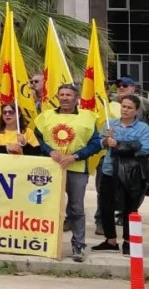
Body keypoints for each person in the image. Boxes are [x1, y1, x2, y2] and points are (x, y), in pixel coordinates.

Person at [35, 84, 103, 262]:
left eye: (68, 95)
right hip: (51, 168)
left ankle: (78, 244)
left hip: (77, 168)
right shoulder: (46, 116)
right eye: (62, 94)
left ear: (76, 97)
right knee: (48, 206)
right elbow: (36, 138)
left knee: (76, 208)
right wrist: (49, 151)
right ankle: (46, 242)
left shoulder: (88, 118)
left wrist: (77, 156)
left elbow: (96, 144)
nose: (64, 98)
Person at [94, 95, 149, 254]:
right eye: (123, 106)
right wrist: (106, 141)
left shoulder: (143, 128)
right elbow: (99, 142)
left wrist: (119, 143)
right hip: (109, 170)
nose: (125, 110)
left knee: (129, 207)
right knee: (105, 205)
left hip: (131, 173)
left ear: (136, 110)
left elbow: (145, 148)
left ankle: (128, 241)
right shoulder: (110, 124)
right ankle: (110, 240)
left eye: (129, 107)